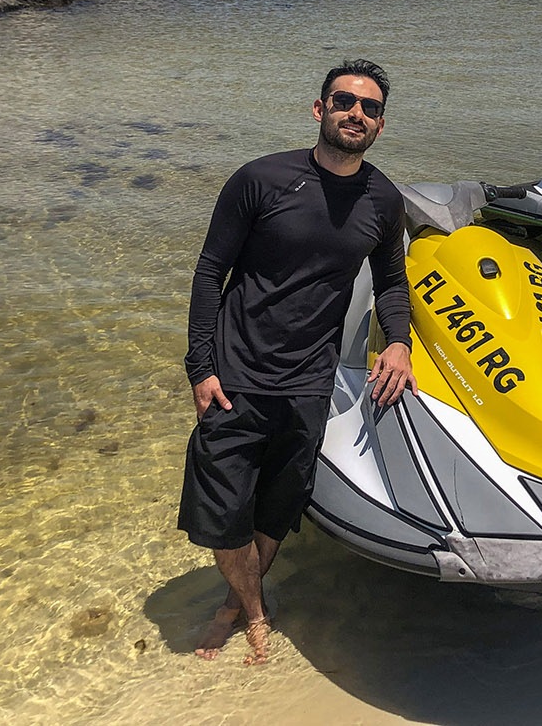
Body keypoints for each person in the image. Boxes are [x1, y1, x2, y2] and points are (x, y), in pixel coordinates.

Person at [178, 59, 415, 666]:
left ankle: (236, 605)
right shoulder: (259, 179)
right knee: (222, 512)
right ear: (320, 110)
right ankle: (252, 610)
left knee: (278, 506)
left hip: (311, 381)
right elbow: (211, 271)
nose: (355, 113)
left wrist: (398, 342)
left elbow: (391, 281)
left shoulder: (384, 200)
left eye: (370, 107)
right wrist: (200, 367)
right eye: (344, 101)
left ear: (381, 125)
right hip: (236, 374)